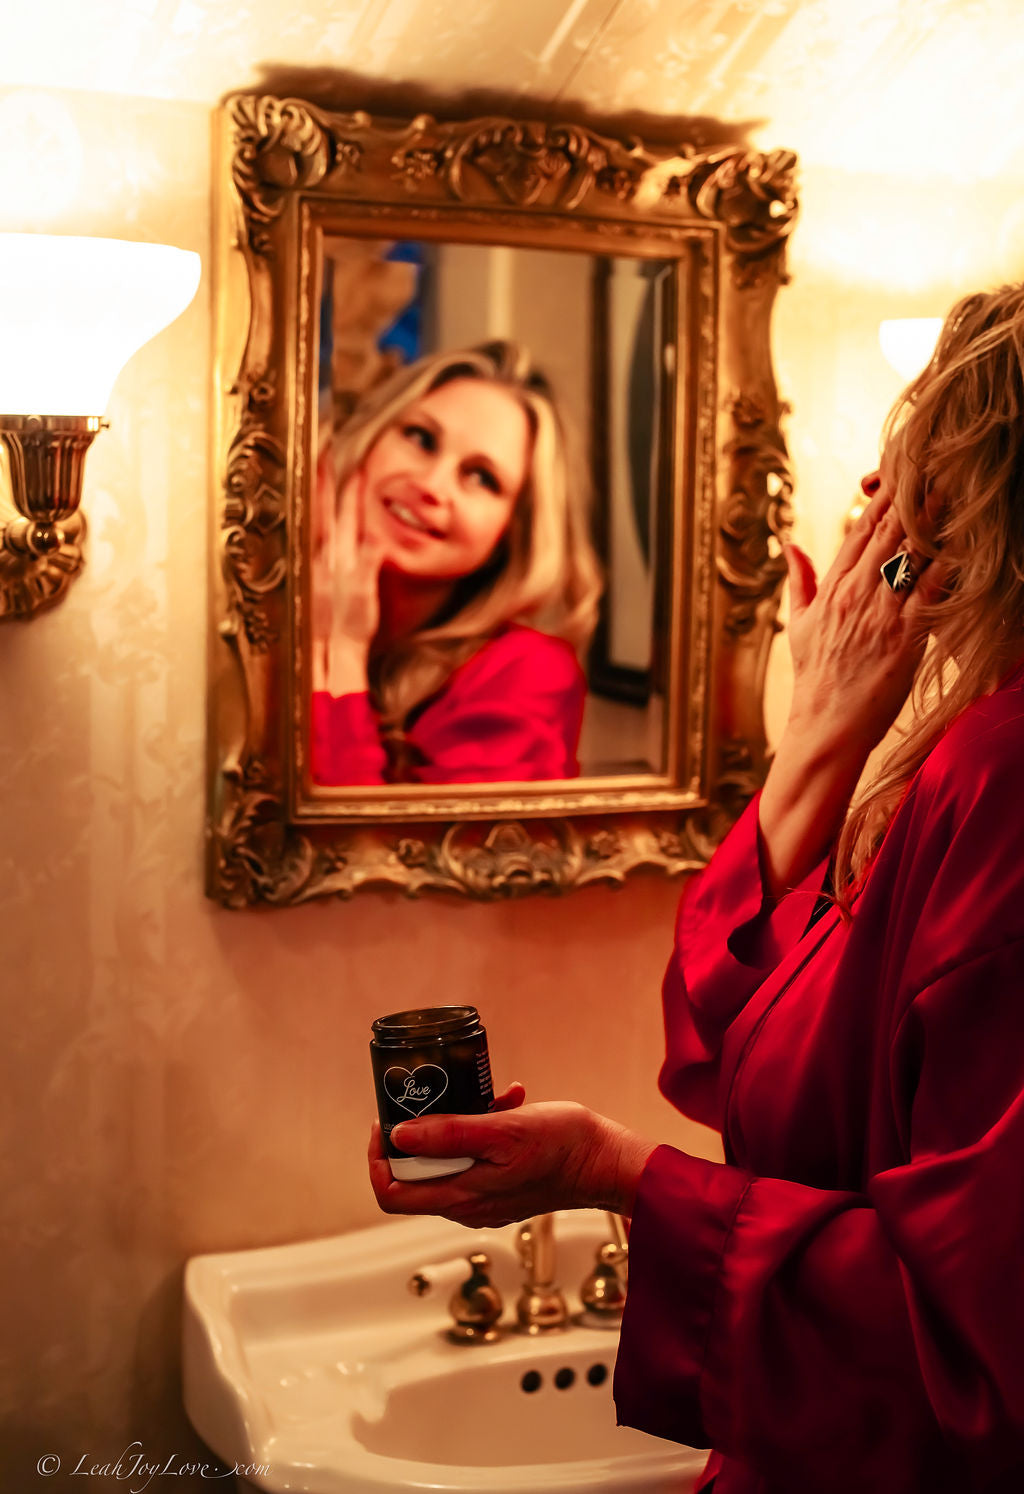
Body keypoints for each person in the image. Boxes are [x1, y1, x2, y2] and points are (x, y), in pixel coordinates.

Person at [367, 284, 1024, 1492]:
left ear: (965, 497)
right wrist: (817, 749)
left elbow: (971, 1343)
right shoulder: (951, 758)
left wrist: (613, 1175)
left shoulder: (1002, 774)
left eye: (900, 473)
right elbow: (745, 1048)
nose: (866, 508)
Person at [310, 340, 602, 785]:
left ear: (511, 532)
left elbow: (362, 852)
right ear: (370, 438)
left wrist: (339, 647)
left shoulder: (527, 675)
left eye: (481, 477)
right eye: (420, 438)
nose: (431, 485)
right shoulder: (253, 602)